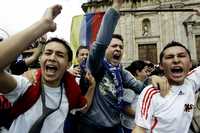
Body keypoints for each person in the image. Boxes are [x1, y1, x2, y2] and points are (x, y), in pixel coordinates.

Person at [0, 4, 95, 133]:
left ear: (68, 64)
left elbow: (83, 107)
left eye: (60, 55)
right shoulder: (26, 84)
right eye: (48, 52)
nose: (52, 58)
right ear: (41, 59)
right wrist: (43, 25)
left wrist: (91, 87)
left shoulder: (71, 91)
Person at [78, 0, 150, 133]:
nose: (118, 49)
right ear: (105, 50)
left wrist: (155, 82)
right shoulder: (95, 66)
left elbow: (139, 87)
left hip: (115, 127)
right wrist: (116, 5)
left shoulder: (122, 72)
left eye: (121, 47)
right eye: (114, 46)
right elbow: (100, 44)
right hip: (92, 127)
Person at [133, 41, 200, 133]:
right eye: (169, 57)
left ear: (190, 63)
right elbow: (139, 129)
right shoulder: (151, 93)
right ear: (161, 65)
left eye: (181, 56)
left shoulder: (191, 83)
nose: (176, 60)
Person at [120, 60, 149, 133]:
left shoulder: (140, 86)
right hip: (130, 127)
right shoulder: (131, 88)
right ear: (138, 72)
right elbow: (126, 108)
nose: (147, 74)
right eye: (145, 71)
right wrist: (144, 116)